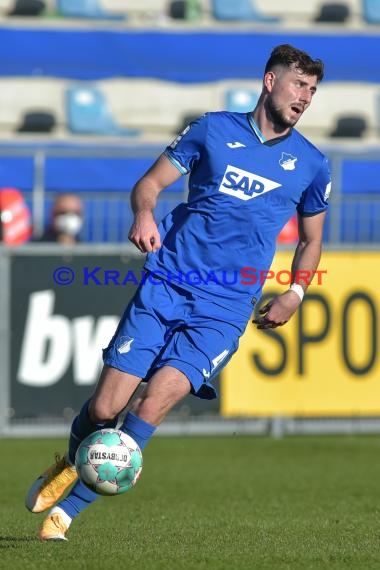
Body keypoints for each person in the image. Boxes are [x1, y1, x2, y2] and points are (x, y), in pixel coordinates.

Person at [25, 44, 331, 540]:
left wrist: (295, 293)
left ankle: (66, 515)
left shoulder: (313, 164)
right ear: (270, 82)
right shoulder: (212, 129)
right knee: (106, 409)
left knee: (153, 403)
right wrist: (144, 213)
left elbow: (313, 239)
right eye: (299, 85)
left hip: (226, 308)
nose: (306, 98)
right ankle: (71, 461)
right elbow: (149, 184)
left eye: (313, 90)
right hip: (167, 283)